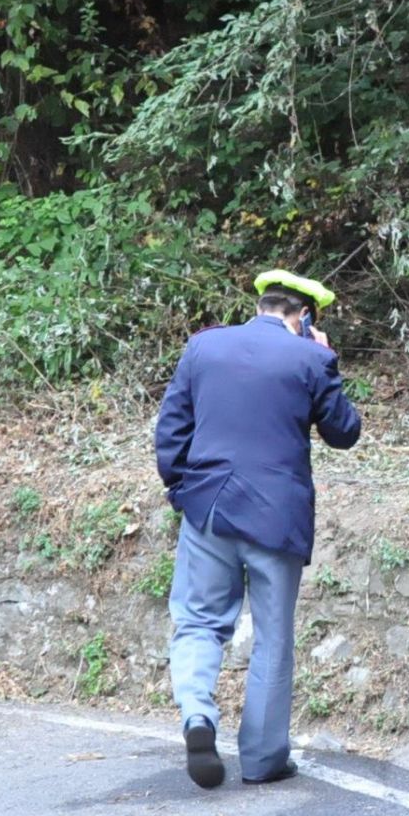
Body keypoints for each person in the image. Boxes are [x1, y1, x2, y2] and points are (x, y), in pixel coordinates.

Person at [153, 270, 363, 789]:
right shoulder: (311, 358)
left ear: (261, 305)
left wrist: (182, 491)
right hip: (277, 518)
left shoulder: (204, 348)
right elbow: (345, 432)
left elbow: (171, 430)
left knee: (199, 620)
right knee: (271, 639)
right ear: (305, 315)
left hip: (210, 507)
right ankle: (265, 760)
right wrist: (324, 357)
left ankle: (198, 716)